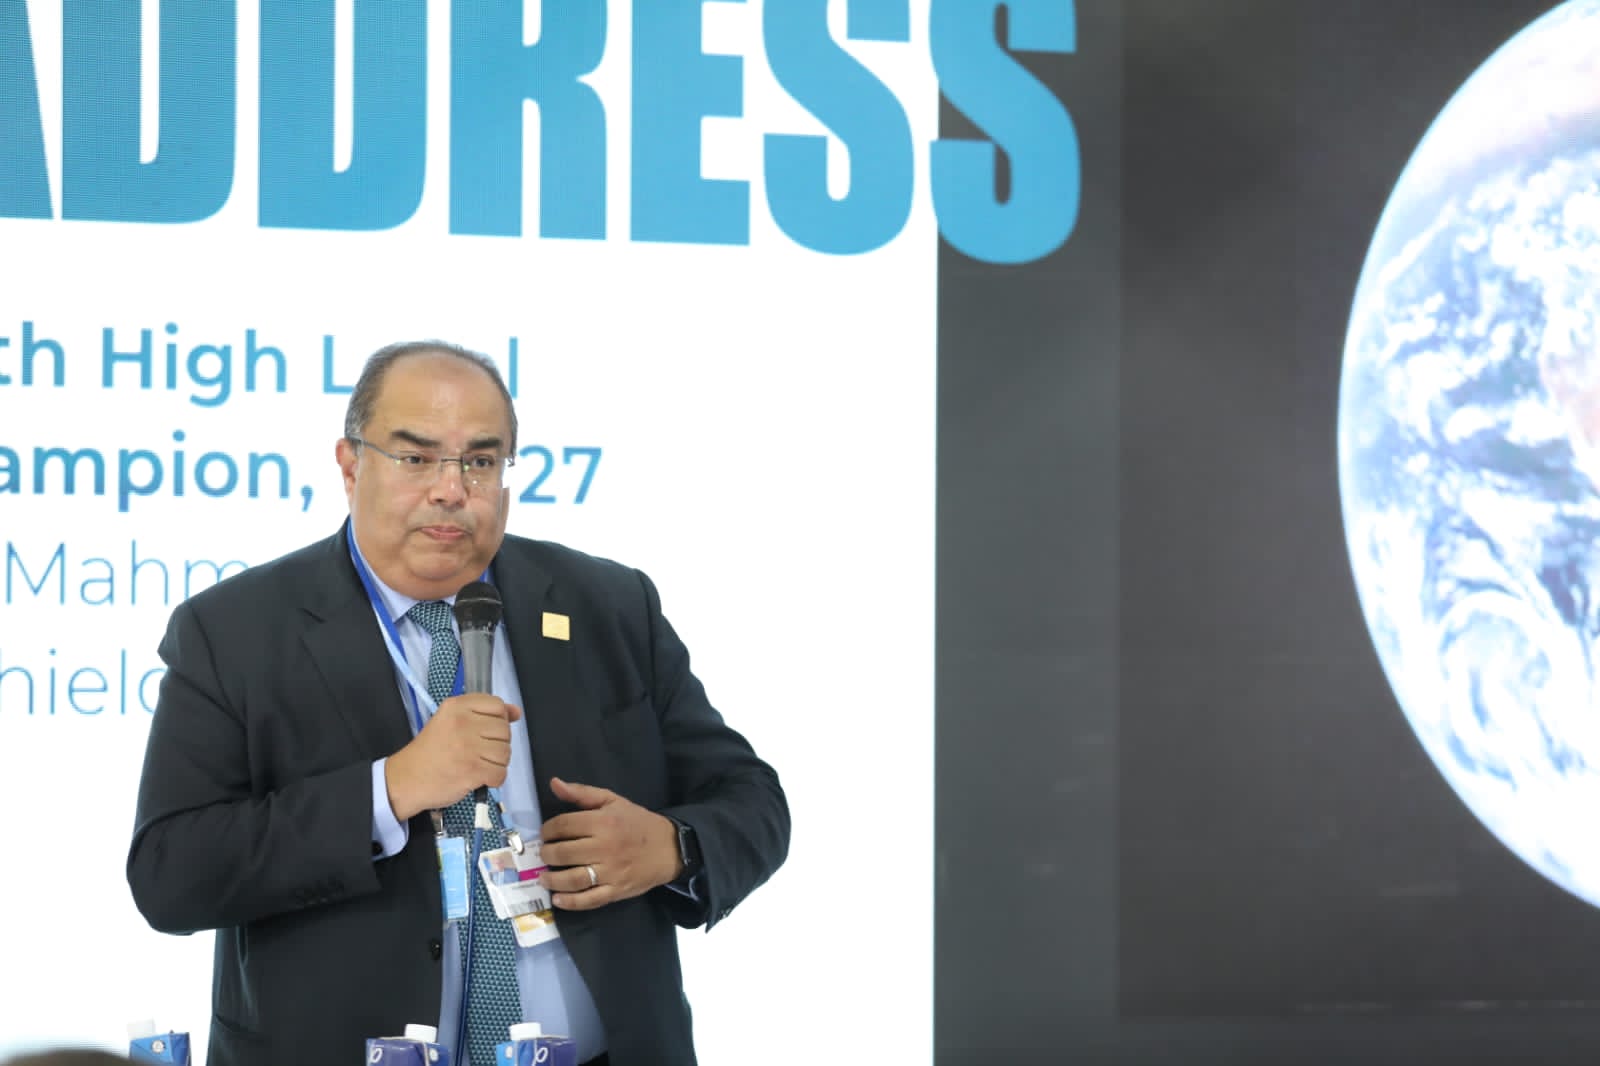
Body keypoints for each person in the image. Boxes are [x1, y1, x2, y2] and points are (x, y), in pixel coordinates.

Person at [126, 341, 790, 1066]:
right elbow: (170, 873)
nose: (451, 489)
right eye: (416, 458)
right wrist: (388, 790)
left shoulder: (607, 605)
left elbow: (753, 800)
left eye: (480, 461)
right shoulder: (235, 631)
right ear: (350, 466)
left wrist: (670, 847)